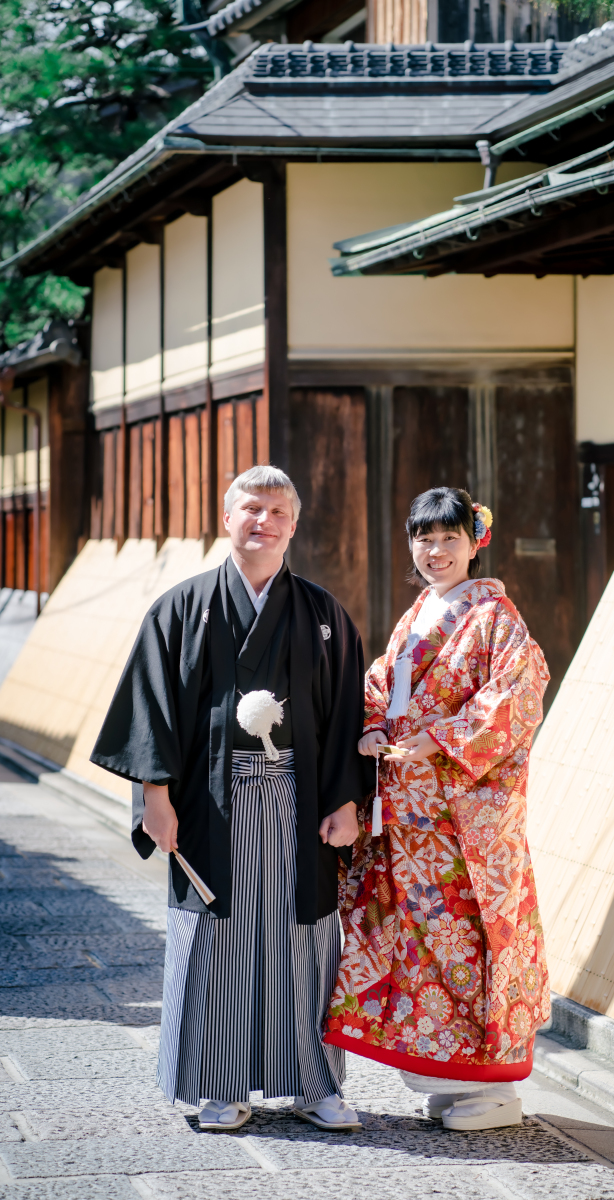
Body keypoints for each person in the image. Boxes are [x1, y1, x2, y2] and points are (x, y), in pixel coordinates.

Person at [91, 465, 366, 1133]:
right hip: (212, 805)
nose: (263, 521)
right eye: (251, 509)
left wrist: (347, 801)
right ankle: (222, 1086)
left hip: (300, 805)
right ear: (227, 518)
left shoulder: (322, 613)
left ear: (294, 525)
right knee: (220, 942)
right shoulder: (181, 609)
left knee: (304, 942)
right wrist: (154, 797)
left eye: (277, 511)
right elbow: (150, 709)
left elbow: (346, 714)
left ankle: (314, 1083)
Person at [324, 486, 550, 1132]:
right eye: (424, 538)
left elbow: (517, 696)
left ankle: (490, 1083)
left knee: (464, 943)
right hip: (410, 821)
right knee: (418, 948)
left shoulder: (495, 618)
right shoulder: (420, 612)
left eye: (449, 538)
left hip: (458, 826)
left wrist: (440, 739)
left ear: (474, 543)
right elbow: (379, 683)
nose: (435, 550)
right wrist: (370, 727)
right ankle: (448, 1078)